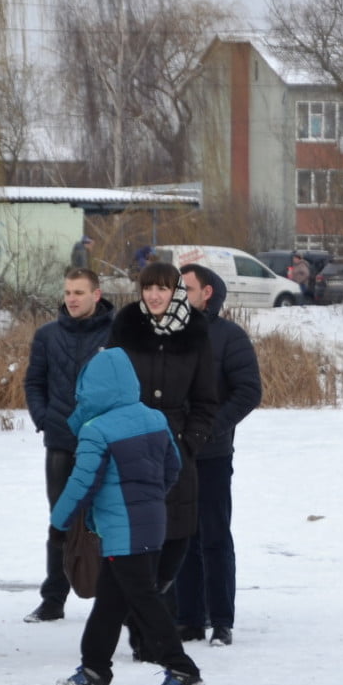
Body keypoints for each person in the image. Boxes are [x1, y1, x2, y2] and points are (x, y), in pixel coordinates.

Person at [49, 349, 203, 685]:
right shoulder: (154, 419)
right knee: (110, 601)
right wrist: (149, 499)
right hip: (152, 524)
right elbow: (173, 468)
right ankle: (94, 670)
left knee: (143, 600)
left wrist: (60, 523)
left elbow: (81, 483)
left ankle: (181, 668)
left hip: (122, 531)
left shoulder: (97, 429)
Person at [107, 262, 220, 621]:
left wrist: (189, 442)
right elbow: (106, 388)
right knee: (136, 541)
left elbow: (206, 400)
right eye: (148, 288)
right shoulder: (125, 326)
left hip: (174, 446)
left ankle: (153, 610)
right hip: (129, 446)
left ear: (176, 292)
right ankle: (145, 631)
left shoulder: (195, 332)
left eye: (162, 288)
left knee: (176, 538)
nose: (154, 296)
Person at [174, 263, 263, 647]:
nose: (177, 294)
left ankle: (220, 620)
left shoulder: (229, 337)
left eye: (185, 288)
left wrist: (207, 428)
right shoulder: (167, 333)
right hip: (171, 451)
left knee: (213, 535)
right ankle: (188, 618)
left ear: (206, 292)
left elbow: (247, 392)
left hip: (210, 452)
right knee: (180, 536)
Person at [22, 267, 116, 622]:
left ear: (96, 293)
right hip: (61, 443)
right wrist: (45, 419)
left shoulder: (117, 332)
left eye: (79, 292)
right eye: (68, 292)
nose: (72, 299)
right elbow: (34, 382)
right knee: (60, 520)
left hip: (105, 443)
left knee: (107, 521)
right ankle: (53, 598)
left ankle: (112, 599)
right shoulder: (48, 335)